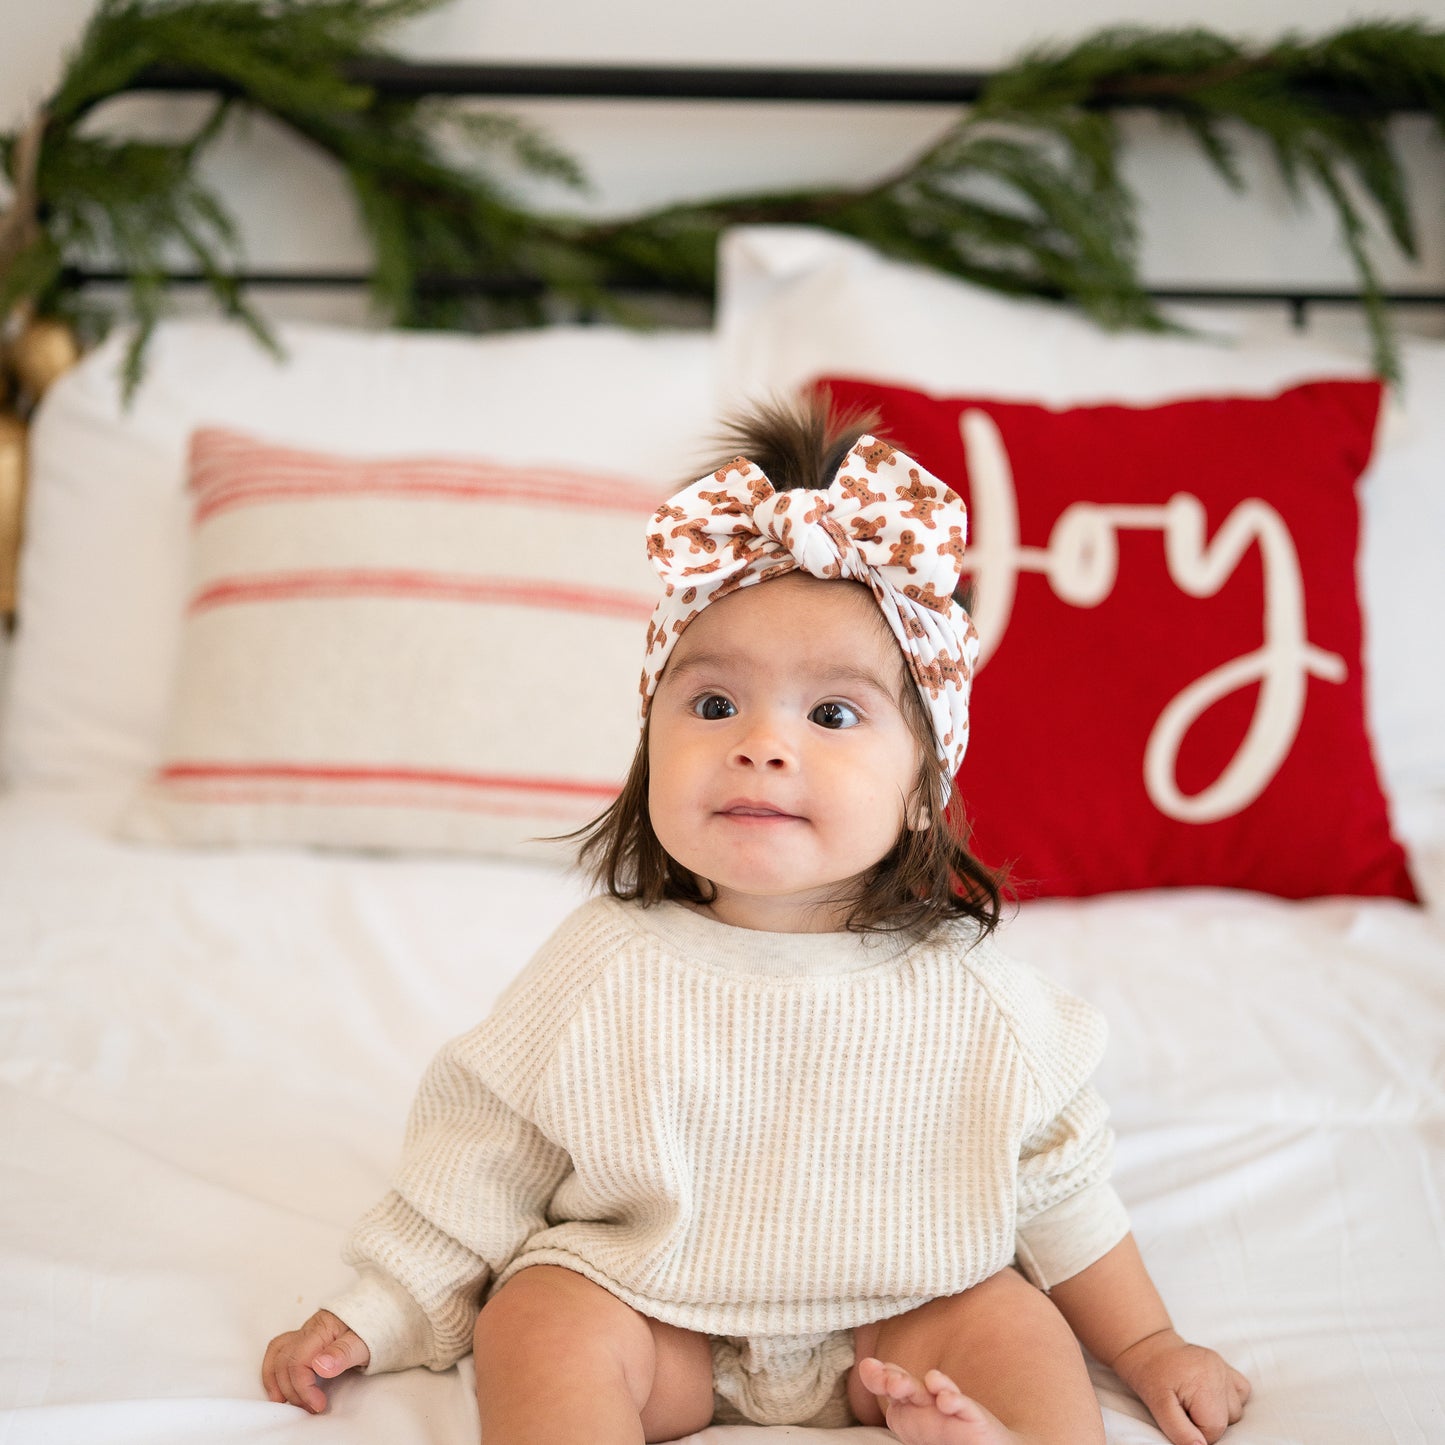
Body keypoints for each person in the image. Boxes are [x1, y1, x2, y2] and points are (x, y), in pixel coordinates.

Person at [262, 395, 1252, 1445]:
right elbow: (480, 1160)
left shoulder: (973, 997)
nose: (761, 744)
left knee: (1011, 1322)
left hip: (900, 1308)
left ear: (922, 788)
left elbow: (1056, 1180)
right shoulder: (603, 965)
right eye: (713, 704)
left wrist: (1144, 1343)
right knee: (538, 1315)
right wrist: (374, 1308)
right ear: (651, 751)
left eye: (831, 713)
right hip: (654, 1305)